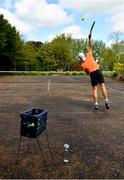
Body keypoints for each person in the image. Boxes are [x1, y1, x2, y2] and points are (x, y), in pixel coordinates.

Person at [78, 33, 110, 110]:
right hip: (98, 71)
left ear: (80, 58)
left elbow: (87, 73)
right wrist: (89, 38)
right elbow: (90, 46)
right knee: (103, 86)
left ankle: (96, 103)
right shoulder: (89, 54)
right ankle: (106, 101)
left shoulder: (83, 65)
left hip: (92, 74)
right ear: (84, 55)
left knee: (95, 89)